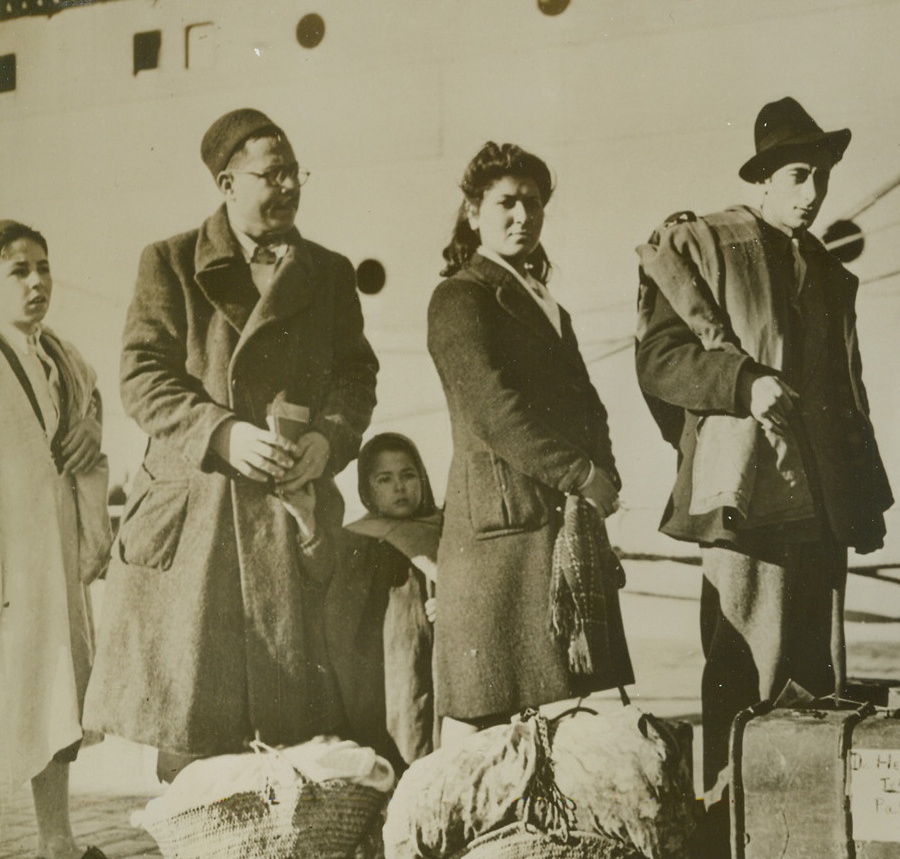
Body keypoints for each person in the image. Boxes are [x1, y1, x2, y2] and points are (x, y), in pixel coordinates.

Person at [84, 108, 380, 773]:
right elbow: (141, 377)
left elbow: (356, 374)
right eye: (271, 174)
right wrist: (223, 433)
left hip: (289, 508)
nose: (289, 186)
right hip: (200, 518)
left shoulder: (328, 272)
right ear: (227, 184)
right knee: (197, 725)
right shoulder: (169, 262)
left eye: (294, 172)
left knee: (290, 726)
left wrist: (330, 441)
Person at [635, 97, 892, 790]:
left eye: (823, 178)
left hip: (822, 508)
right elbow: (659, 364)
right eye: (800, 176)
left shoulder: (831, 276)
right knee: (745, 677)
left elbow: (849, 392)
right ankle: (730, 846)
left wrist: (864, 499)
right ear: (764, 179)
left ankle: (805, 852)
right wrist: (740, 391)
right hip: (749, 503)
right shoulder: (706, 248)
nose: (814, 194)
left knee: (817, 687)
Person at [427, 141, 633, 742]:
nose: (523, 217)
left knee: (560, 709)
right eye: (506, 203)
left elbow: (586, 403)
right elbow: (495, 411)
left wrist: (606, 475)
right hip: (498, 532)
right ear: (473, 212)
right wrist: (579, 474)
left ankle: (538, 839)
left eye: (534, 204)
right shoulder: (460, 297)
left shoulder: (547, 305)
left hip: (553, 523)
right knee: (482, 712)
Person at [0, 220, 148, 859]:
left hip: (49, 553)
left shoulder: (57, 355)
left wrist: (89, 432)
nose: (37, 283)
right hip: (8, 557)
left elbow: (86, 417)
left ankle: (56, 848)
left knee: (53, 692)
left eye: (43, 267)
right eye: (17, 271)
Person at [323, 432, 442, 772]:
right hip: (389, 670)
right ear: (367, 489)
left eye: (408, 475)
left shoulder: (445, 529)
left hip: (442, 662)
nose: (399, 487)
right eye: (384, 479)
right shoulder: (357, 541)